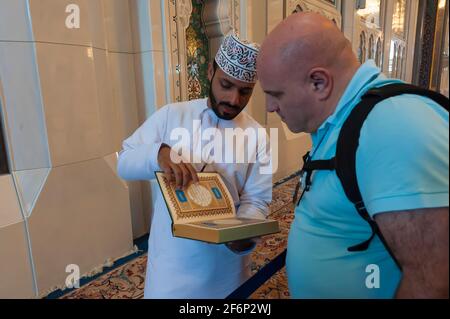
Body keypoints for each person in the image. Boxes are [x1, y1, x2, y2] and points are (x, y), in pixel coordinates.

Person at [257, 12, 449, 298]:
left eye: (277, 94)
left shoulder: (393, 127)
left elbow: (435, 280)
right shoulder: (347, 119)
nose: (270, 107)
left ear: (318, 83)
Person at [117, 34, 272, 298]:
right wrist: (158, 154)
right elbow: (123, 162)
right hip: (171, 265)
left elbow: (257, 201)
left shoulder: (259, 136)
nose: (234, 99)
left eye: (244, 91)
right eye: (226, 85)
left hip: (225, 268)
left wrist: (243, 233)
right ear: (210, 72)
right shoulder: (171, 115)